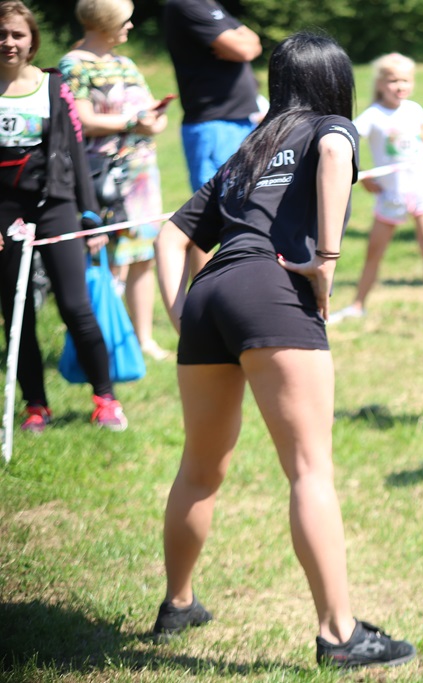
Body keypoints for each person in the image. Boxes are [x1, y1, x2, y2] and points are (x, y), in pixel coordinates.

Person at [150, 32, 415, 669]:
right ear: (336, 83)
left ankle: (177, 602)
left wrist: (179, 310)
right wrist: (326, 261)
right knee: (308, 469)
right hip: (273, 289)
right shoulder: (332, 127)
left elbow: (169, 233)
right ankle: (339, 634)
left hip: (211, 293)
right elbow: (331, 148)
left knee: (200, 467)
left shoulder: (249, 148)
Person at [0, 0, 127, 433]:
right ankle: (35, 405)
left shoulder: (54, 87)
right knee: (17, 314)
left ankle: (106, 399)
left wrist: (89, 216)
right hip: (5, 215)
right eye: (2, 34)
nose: (9, 42)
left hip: (55, 208)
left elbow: (75, 154)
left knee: (76, 306)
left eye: (17, 34)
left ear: (32, 39)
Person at [60, 0, 171, 361]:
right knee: (104, 257)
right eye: (124, 20)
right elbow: (82, 119)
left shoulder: (126, 63)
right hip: (102, 177)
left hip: (140, 173)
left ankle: (142, 340)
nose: (131, 27)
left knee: (142, 256)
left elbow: (147, 107)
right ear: (105, 23)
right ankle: (100, 342)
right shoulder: (73, 65)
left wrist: (155, 119)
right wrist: (132, 123)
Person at [331, 53, 423, 323]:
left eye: (405, 80)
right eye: (393, 80)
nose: (400, 86)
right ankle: (358, 305)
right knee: (374, 252)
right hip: (391, 196)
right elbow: (348, 145)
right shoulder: (373, 116)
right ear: (380, 83)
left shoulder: (414, 110)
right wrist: (362, 176)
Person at [164, 0, 262, 193]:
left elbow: (253, 44)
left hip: (239, 121)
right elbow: (245, 50)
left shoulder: (210, 4)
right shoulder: (186, 5)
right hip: (215, 125)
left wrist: (242, 45)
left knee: (247, 201)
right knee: (217, 208)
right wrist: (241, 45)